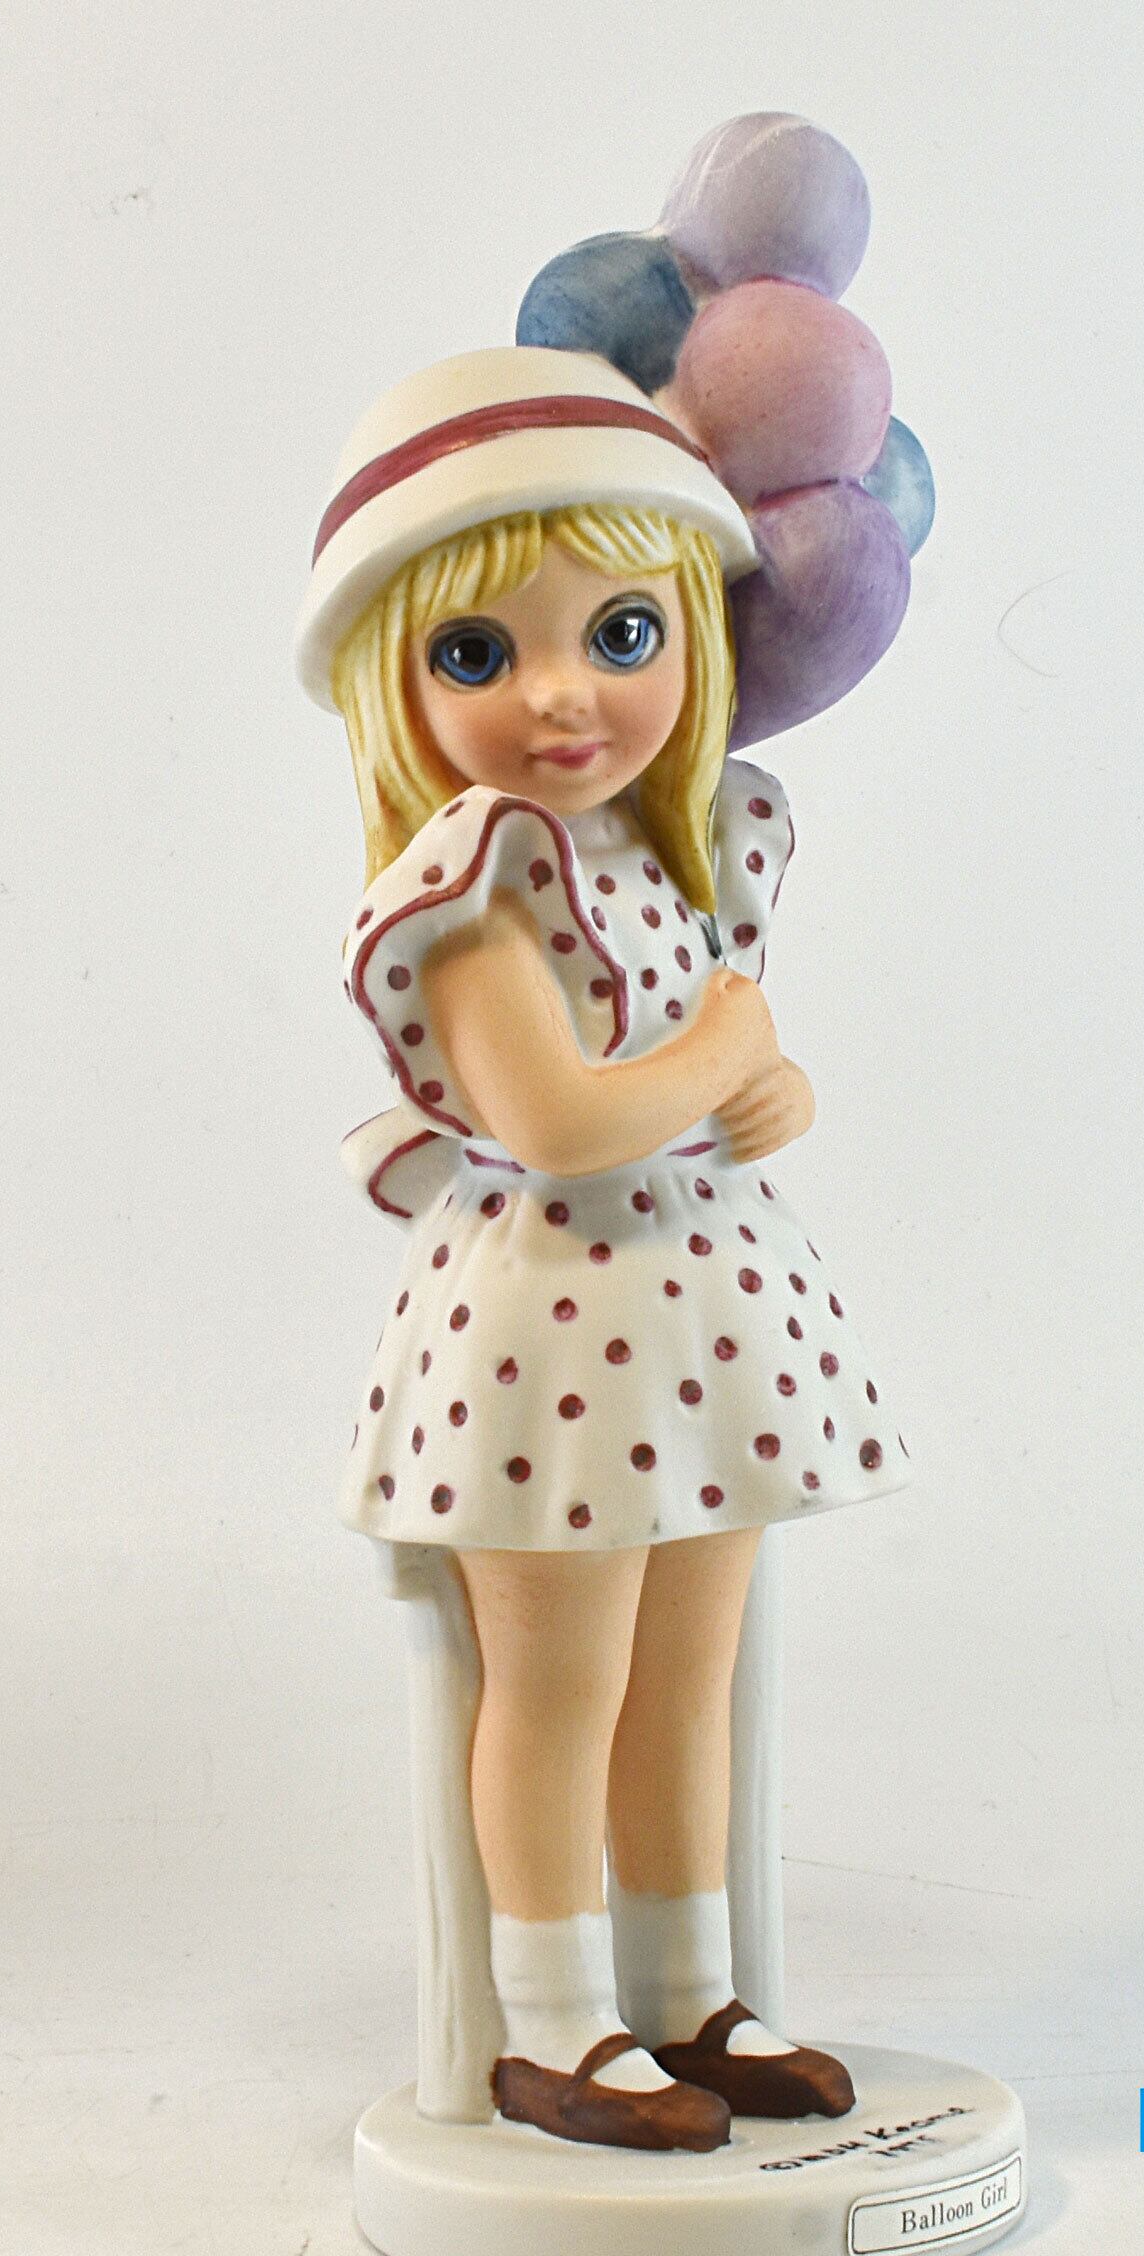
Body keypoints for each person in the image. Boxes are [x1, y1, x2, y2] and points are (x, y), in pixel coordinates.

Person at [299, 346, 908, 2152]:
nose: (563, 694)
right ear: (397, 683)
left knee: (686, 1676)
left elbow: (714, 1050)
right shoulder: (476, 889)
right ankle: (556, 2017)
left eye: (622, 634)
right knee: (557, 1686)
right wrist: (725, 1052)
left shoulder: (674, 850)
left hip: (706, 1323)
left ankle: (688, 1985)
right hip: (549, 1341)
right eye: (481, 653)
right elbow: (561, 1121)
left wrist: (763, 1081)